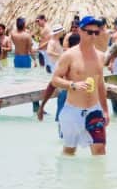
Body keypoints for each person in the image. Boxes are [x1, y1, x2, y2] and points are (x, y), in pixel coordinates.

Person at [36, 16, 110, 156]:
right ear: (80, 31)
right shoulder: (69, 55)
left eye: (96, 32)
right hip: (73, 111)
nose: (93, 36)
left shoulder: (100, 56)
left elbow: (100, 85)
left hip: (94, 111)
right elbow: (55, 80)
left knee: (100, 151)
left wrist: (105, 110)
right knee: (70, 152)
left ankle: (97, 179)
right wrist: (72, 84)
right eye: (90, 32)